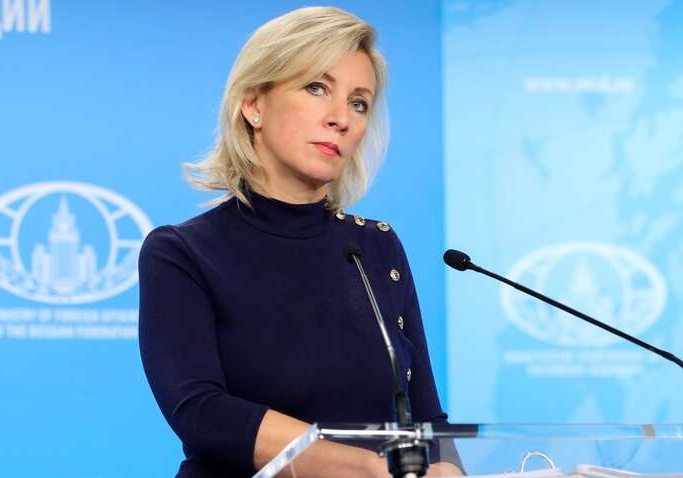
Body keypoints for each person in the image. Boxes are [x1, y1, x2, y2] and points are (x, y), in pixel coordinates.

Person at [138, 6, 460, 478]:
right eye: (316, 88)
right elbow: (202, 412)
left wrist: (448, 471)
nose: (341, 119)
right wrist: (370, 469)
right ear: (253, 104)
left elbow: (426, 419)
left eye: (359, 103)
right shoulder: (182, 252)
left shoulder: (377, 248)